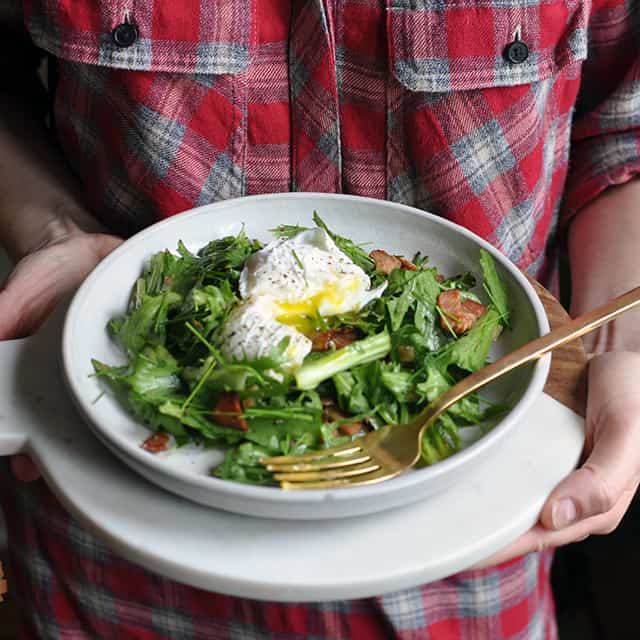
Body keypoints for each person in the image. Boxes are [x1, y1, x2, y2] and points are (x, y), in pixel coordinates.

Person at [1, 0, 639, 637]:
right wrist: (53, 229)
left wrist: (620, 348)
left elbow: (624, 130)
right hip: (112, 548)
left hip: (463, 556)